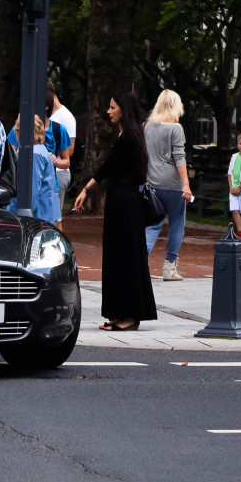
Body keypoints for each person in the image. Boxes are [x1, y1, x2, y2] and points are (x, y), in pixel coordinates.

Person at [72, 91, 157, 332]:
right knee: (117, 257)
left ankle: (129, 316)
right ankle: (120, 312)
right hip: (121, 202)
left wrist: (86, 188)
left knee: (125, 257)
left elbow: (107, 167)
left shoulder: (129, 135)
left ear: (123, 110)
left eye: (112, 107)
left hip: (126, 204)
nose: (108, 111)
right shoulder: (127, 134)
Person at [143, 89, 193, 281]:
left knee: (152, 225)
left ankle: (139, 261)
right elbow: (179, 157)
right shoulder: (175, 128)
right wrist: (186, 185)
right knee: (177, 224)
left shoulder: (147, 125)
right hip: (173, 183)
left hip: (152, 182)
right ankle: (169, 267)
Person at [7, 116, 62, 225]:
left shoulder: (33, 153)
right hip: (44, 214)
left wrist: (21, 215)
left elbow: (31, 191)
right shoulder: (39, 149)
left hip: (37, 217)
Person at [45, 80, 77, 206]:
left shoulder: (66, 117)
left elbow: (70, 150)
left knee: (54, 216)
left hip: (58, 172)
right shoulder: (39, 115)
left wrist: (48, 153)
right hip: (42, 173)